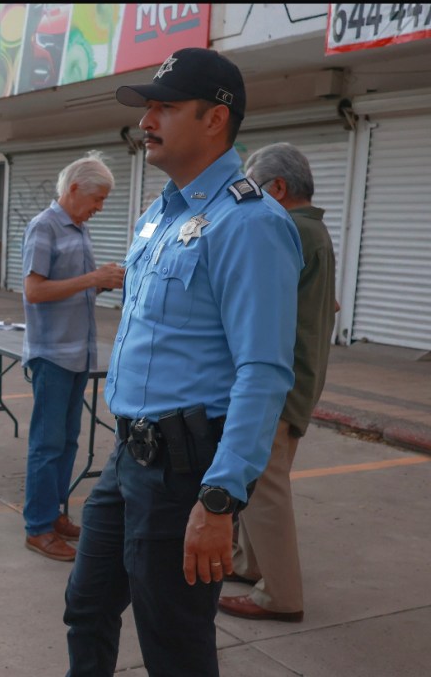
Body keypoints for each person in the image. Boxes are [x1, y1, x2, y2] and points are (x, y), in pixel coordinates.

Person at [63, 47, 303, 676]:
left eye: (164, 107)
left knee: (174, 645)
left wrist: (220, 500)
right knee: (86, 608)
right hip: (129, 455)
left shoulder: (248, 223)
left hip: (185, 470)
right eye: (148, 108)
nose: (147, 121)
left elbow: (264, 370)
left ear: (215, 118)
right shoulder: (159, 216)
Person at [217, 142, 337, 623]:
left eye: (256, 188)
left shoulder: (288, 230)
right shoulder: (312, 231)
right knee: (257, 478)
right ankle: (250, 564)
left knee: (265, 485)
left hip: (281, 382)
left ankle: (280, 595)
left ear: (279, 188)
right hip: (297, 375)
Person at [21, 152, 126, 562]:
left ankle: (55, 512)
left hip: (78, 353)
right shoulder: (44, 227)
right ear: (74, 189)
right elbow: (34, 291)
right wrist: (92, 279)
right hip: (52, 353)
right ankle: (38, 527)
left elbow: (71, 288)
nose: (99, 209)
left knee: (67, 441)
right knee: (47, 444)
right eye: (96, 199)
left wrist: (102, 284)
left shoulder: (78, 229)